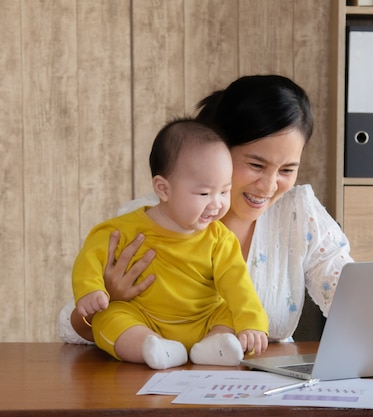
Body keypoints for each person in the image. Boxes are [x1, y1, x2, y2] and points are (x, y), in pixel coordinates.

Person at [60, 74, 353, 346]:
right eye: (256, 165)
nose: (269, 186)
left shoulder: (299, 213)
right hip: (161, 386)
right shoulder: (149, 220)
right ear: (218, 149)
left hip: (266, 390)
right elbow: (71, 332)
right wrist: (109, 298)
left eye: (287, 169)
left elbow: (353, 297)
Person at [71, 118, 268, 370]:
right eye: (205, 193)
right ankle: (149, 346)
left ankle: (213, 346)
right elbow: (90, 257)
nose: (217, 203)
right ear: (163, 189)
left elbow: (239, 285)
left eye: (224, 191)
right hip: (144, 319)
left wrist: (252, 323)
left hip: (204, 320)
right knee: (109, 318)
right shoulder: (122, 230)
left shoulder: (220, 238)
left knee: (231, 312)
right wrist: (90, 290)